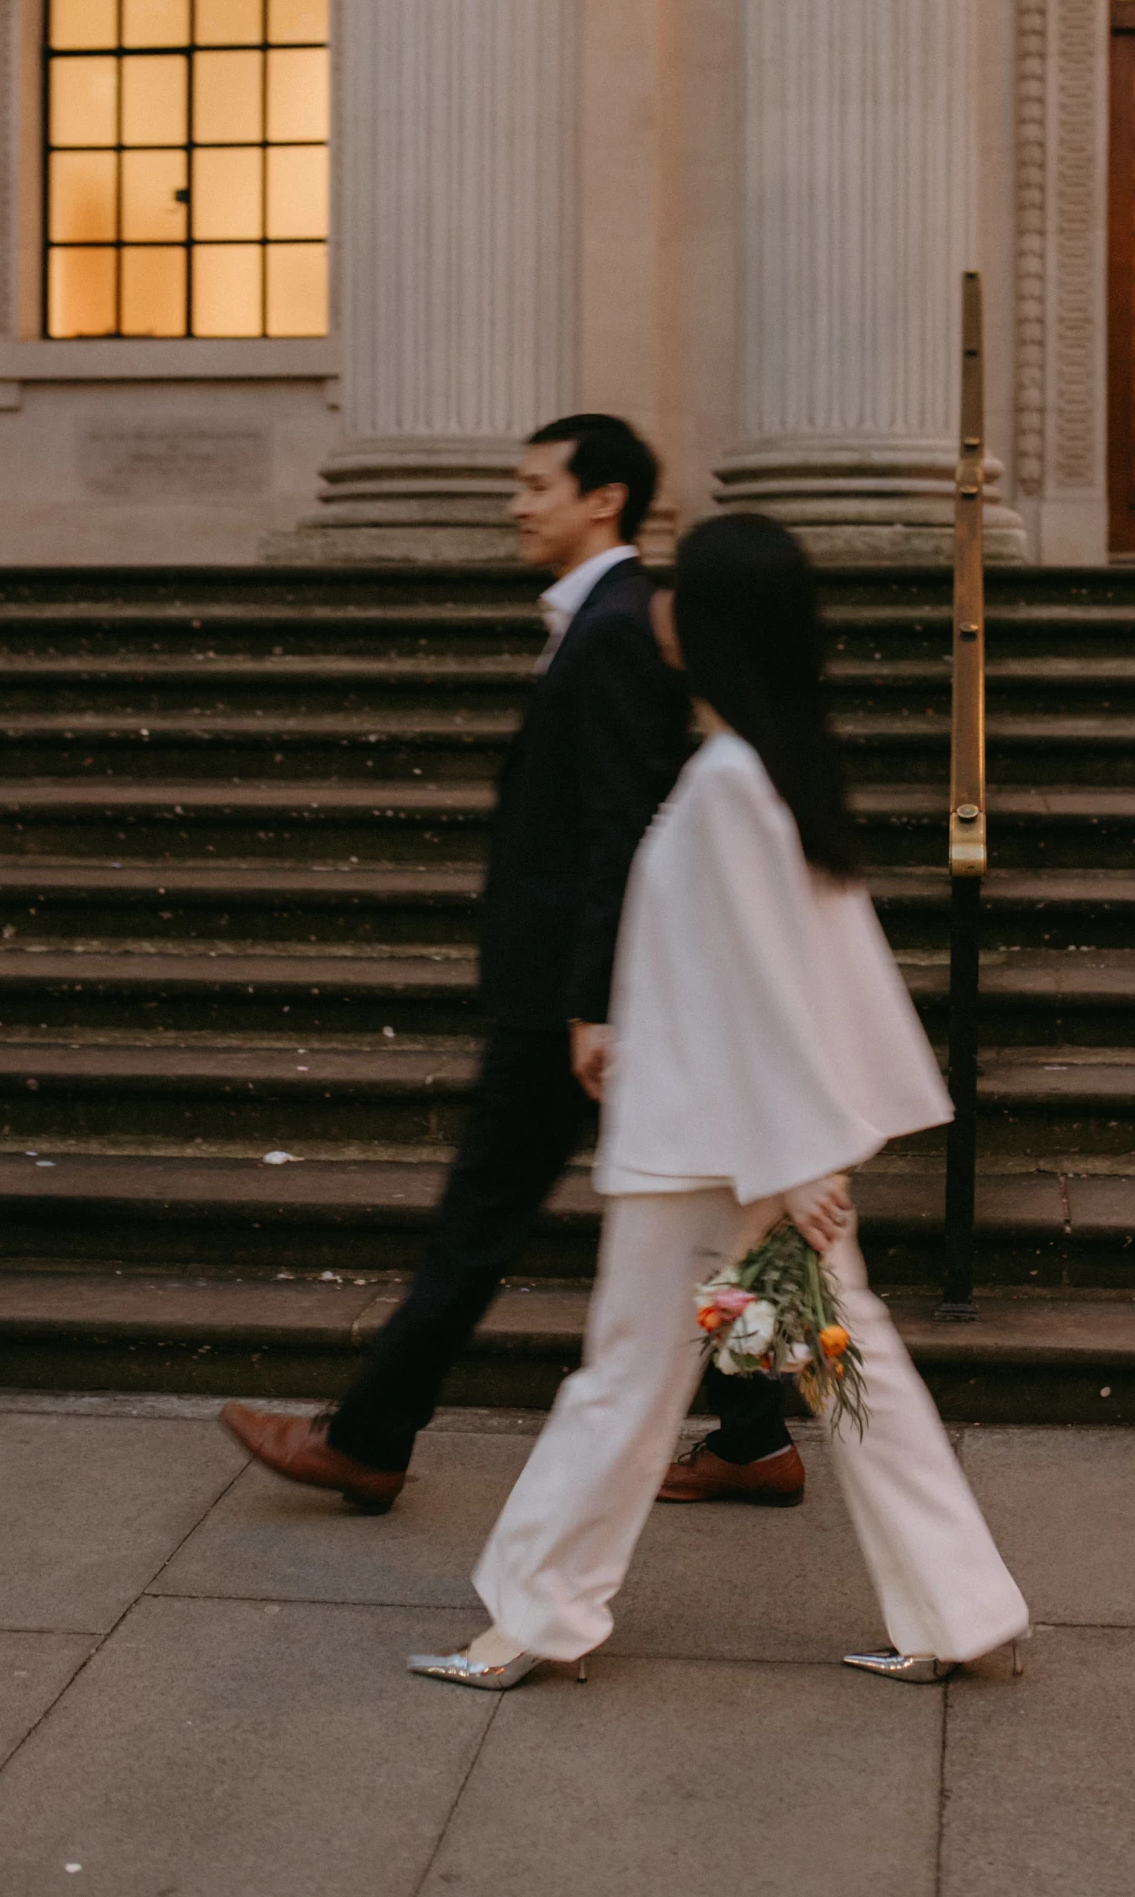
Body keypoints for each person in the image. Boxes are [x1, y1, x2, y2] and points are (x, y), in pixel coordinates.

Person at [408, 513, 1030, 1693]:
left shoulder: (735, 778)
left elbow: (769, 980)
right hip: (741, 1139)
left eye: (675, 584)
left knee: (628, 1381)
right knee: (846, 1368)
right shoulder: (768, 764)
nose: (653, 600)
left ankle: (533, 1616)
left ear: (705, 618)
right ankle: (959, 1608)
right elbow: (779, 966)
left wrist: (799, 1162)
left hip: (713, 1152)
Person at [219, 419, 798, 1509]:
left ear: (604, 499)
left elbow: (618, 830)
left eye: (538, 485)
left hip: (573, 995)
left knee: (483, 1219)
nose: (517, 504)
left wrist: (588, 1002)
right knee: (706, 1212)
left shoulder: (616, 626)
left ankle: (369, 1438)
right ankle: (754, 1437)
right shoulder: (603, 619)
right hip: (589, 984)